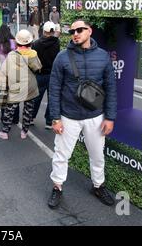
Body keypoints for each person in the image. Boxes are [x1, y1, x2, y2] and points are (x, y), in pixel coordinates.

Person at [47, 19, 117, 209]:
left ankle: (98, 186)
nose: (75, 33)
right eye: (72, 31)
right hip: (68, 116)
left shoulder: (103, 57)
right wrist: (55, 118)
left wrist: (110, 117)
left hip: (96, 116)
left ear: (90, 31)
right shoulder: (62, 57)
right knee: (61, 155)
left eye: (80, 30)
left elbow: (111, 88)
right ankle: (57, 187)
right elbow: (53, 89)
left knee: (97, 155)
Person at [0, 29, 42, 140]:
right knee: (28, 110)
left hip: (16, 85)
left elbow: (4, 71)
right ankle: (24, 132)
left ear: (17, 42)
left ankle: (5, 132)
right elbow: (38, 68)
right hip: (30, 86)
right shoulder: (33, 54)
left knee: (9, 109)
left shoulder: (12, 55)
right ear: (30, 42)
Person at [31, 21, 60, 129]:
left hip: (40, 74)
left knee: (36, 97)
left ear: (44, 31)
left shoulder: (36, 43)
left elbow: (32, 59)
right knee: (51, 98)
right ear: (52, 31)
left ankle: (31, 117)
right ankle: (49, 121)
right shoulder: (57, 43)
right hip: (53, 74)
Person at [0, 24, 19, 124]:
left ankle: (4, 117)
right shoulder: (14, 42)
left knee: (3, 96)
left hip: (1, 72)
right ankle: (15, 118)